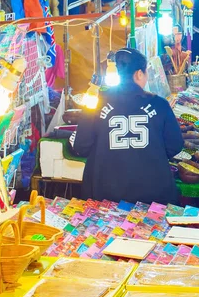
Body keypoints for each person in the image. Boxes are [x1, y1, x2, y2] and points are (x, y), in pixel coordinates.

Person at [73, 48, 183, 204]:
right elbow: (175, 146)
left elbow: (81, 146)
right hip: (153, 194)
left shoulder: (95, 103)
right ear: (139, 73)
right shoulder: (160, 105)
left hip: (104, 193)